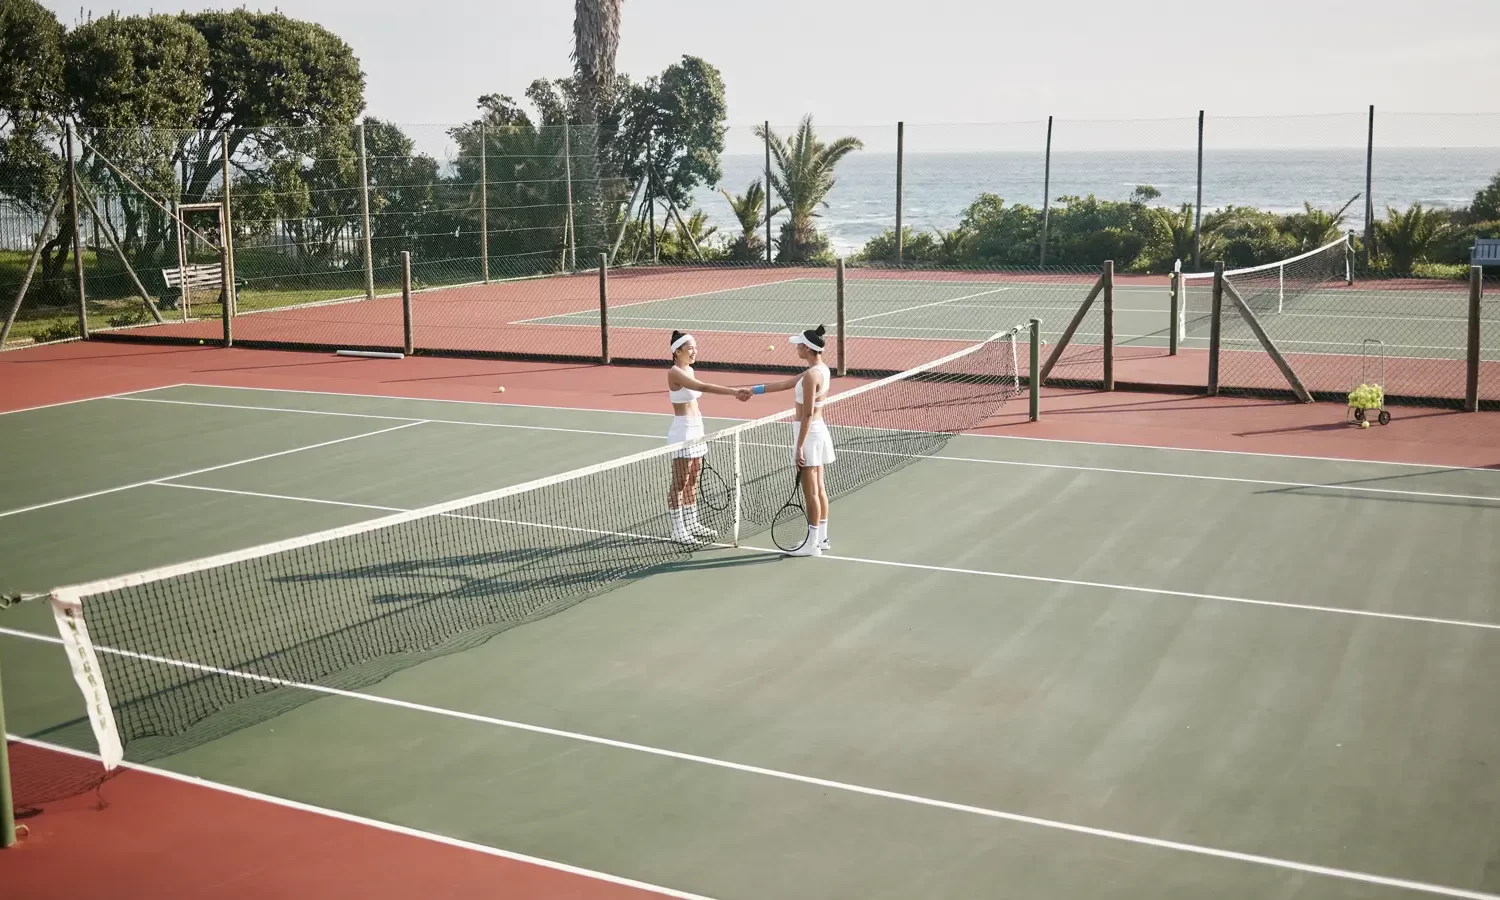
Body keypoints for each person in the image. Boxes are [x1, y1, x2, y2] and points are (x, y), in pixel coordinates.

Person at [747, 325, 835, 557]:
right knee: (819, 488)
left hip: (808, 433)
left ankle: (811, 545)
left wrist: (798, 447)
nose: (796, 348)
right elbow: (784, 384)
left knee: (811, 492)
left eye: (799, 345)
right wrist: (753, 390)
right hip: (817, 431)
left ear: (807, 348)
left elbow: (807, 414)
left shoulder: (811, 376)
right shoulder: (819, 370)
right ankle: (822, 538)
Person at [666, 331, 750, 544]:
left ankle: (692, 522)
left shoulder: (690, 369)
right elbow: (702, 387)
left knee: (693, 479)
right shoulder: (674, 372)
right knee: (680, 482)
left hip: (697, 429)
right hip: (683, 431)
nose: (694, 351)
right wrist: (734, 392)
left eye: (695, 347)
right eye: (690, 348)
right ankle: (678, 529)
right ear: (677, 351)